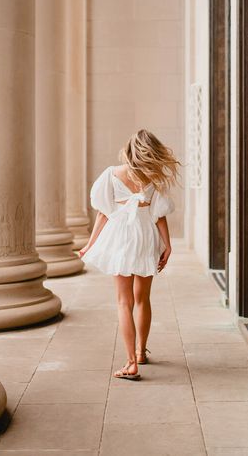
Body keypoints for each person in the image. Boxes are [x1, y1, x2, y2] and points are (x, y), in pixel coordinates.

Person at [79, 129, 179, 381]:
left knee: (124, 302)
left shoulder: (112, 174)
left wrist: (91, 243)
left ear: (128, 150)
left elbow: (103, 212)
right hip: (145, 235)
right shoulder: (154, 178)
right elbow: (159, 215)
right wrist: (167, 245)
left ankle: (131, 362)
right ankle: (141, 352)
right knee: (143, 299)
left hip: (121, 237)